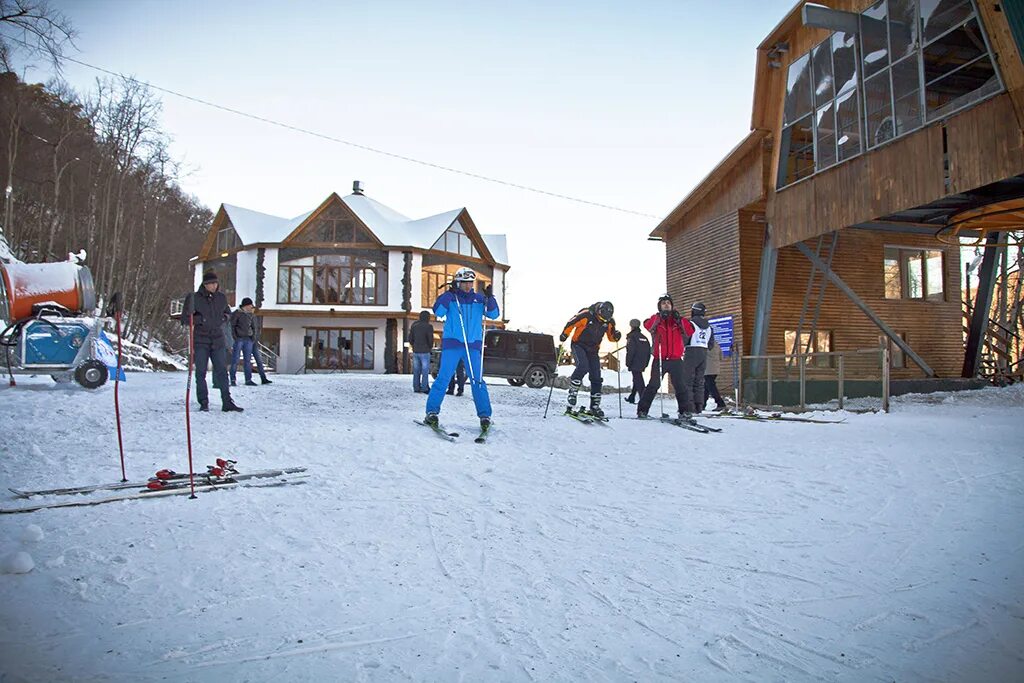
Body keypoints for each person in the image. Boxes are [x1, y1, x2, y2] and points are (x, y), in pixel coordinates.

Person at [424, 268, 500, 429]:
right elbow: (438, 311)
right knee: (443, 378)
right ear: (457, 282)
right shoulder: (451, 298)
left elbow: (494, 315)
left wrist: (490, 298)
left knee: (477, 381)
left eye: (470, 282)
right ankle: (431, 412)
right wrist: (447, 294)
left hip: (472, 346)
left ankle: (485, 416)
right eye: (464, 282)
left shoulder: (479, 299)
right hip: (452, 344)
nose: (467, 286)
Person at [181, 271, 243, 412]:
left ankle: (227, 401)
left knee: (222, 370)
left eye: (215, 283)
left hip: (217, 338)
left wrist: (224, 318)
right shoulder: (194, 298)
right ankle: (203, 402)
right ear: (204, 284)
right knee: (201, 372)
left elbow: (228, 312)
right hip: (201, 339)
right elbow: (185, 319)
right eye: (210, 284)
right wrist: (201, 320)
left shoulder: (221, 297)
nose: (213, 286)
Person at [559, 301, 620, 418]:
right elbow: (571, 323)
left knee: (596, 375)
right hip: (578, 345)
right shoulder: (586, 314)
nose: (603, 320)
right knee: (583, 366)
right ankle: (572, 392)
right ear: (599, 311)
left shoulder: (609, 321)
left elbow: (611, 337)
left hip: (593, 349)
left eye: (606, 319)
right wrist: (564, 334)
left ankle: (595, 406)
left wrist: (616, 336)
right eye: (601, 317)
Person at [636, 294, 687, 420]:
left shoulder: (678, 319)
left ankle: (684, 411)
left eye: (668, 303)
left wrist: (679, 320)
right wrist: (659, 318)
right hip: (660, 359)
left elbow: (689, 331)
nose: (666, 305)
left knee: (680, 385)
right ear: (660, 306)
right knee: (653, 385)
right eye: (663, 303)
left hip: (676, 359)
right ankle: (642, 410)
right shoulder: (655, 318)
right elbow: (648, 325)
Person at [680, 302, 716, 420]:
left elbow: (685, 339)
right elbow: (711, 344)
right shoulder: (709, 327)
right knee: (699, 381)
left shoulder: (690, 324)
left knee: (687, 380)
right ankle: (699, 406)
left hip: (691, 351)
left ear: (693, 311)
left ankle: (689, 407)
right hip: (704, 352)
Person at [229, 297, 259, 387]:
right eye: (250, 305)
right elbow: (232, 326)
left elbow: (254, 326)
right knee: (235, 360)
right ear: (246, 306)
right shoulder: (237, 314)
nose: (251, 307)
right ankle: (233, 379)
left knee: (247, 360)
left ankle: (248, 379)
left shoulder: (251, 315)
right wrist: (235, 337)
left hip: (248, 339)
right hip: (239, 339)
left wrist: (253, 337)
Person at [624, 318, 651, 404]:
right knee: (636, 378)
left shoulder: (632, 337)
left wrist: (628, 362)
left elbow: (630, 350)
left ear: (631, 326)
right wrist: (646, 362)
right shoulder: (644, 337)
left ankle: (643, 398)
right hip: (643, 361)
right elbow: (648, 351)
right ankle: (632, 397)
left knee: (638, 379)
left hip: (634, 361)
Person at [408, 310, 434, 394]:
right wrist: (430, 347)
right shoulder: (428, 326)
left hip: (416, 351)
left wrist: (414, 345)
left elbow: (410, 339)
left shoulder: (414, 326)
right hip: (425, 351)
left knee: (416, 370)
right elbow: (430, 339)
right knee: (425, 371)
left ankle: (416, 387)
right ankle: (424, 387)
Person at [704, 335, 726, 411]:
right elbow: (721, 357)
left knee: (711, 387)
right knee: (706, 387)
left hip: (707, 370)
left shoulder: (705, 344)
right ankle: (702, 404)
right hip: (715, 369)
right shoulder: (717, 344)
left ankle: (720, 403)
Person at [250, 311, 272, 384]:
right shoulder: (243, 316)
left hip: (254, 341)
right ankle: (247, 380)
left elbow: (256, 329)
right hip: (246, 340)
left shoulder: (255, 318)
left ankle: (263, 378)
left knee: (259, 361)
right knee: (247, 361)